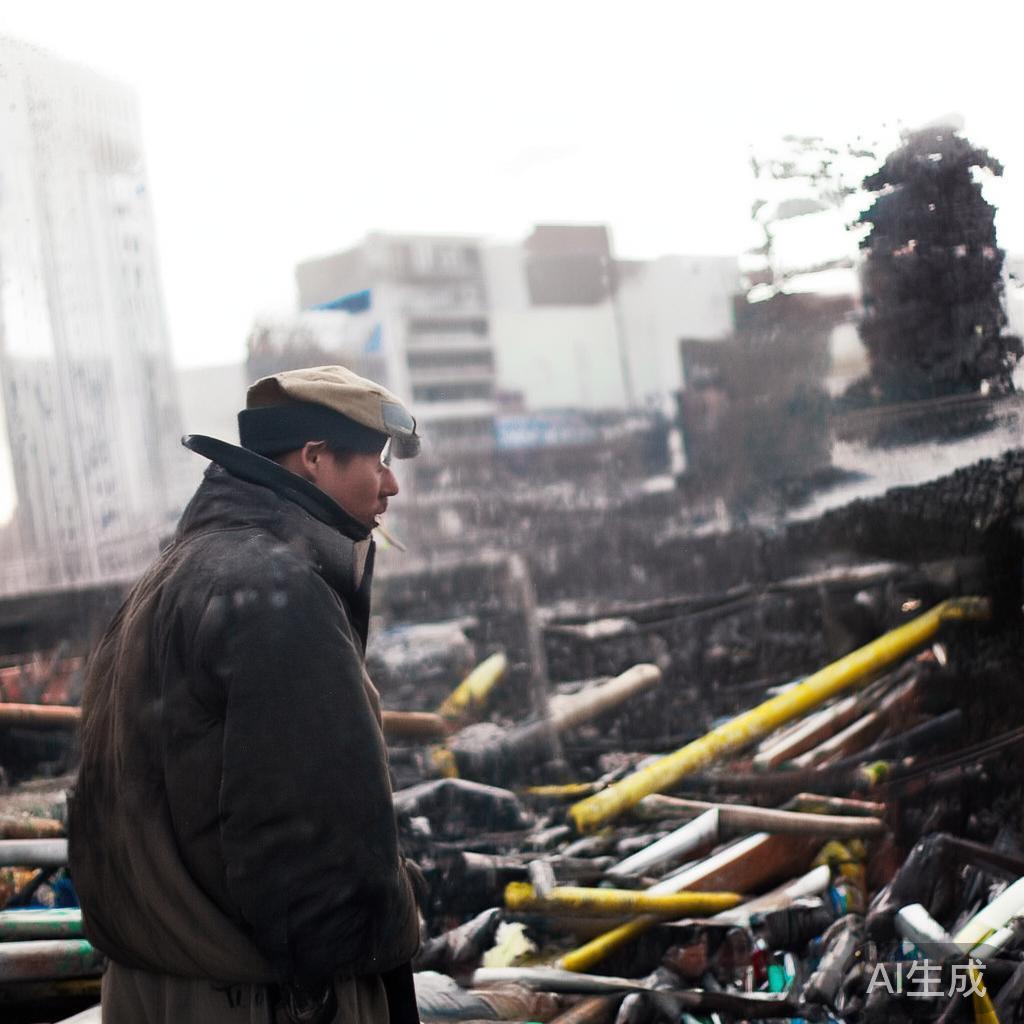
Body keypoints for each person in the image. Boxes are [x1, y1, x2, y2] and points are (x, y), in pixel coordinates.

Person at [68, 366, 424, 1024]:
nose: (392, 484)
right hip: (255, 993)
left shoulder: (174, 576)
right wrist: (347, 961)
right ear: (315, 459)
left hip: (153, 977)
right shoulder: (275, 592)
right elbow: (304, 833)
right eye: (377, 461)